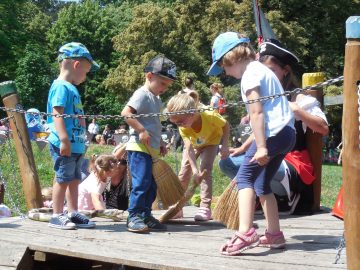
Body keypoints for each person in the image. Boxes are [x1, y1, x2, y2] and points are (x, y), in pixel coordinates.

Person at [207, 32, 296, 255]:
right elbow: (267, 110)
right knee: (262, 185)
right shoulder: (262, 70)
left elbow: (257, 113)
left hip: (272, 135)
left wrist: (263, 147)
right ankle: (274, 234)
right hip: (286, 134)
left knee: (245, 178)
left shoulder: (249, 75)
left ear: (231, 58)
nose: (225, 72)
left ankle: (245, 231)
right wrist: (247, 147)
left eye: (223, 66)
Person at [219, 39, 329, 214]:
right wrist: (242, 148)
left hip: (293, 161)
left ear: (285, 72)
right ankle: (260, 199)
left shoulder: (300, 98)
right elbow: (262, 127)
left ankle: (285, 197)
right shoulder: (264, 94)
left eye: (271, 70)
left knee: (246, 173)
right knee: (228, 163)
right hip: (271, 147)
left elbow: (323, 127)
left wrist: (296, 110)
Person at [121, 55, 176, 233]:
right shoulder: (142, 95)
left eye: (168, 86)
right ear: (150, 76)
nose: (164, 89)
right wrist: (141, 130)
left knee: (151, 184)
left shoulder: (156, 99)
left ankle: (145, 214)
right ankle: (134, 215)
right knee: (141, 182)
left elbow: (155, 124)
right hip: (138, 147)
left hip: (150, 149)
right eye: (162, 83)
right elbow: (126, 113)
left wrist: (159, 141)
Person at [46, 42, 99, 230]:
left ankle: (73, 211)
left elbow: (78, 114)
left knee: (75, 178)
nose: (85, 77)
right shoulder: (61, 86)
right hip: (65, 143)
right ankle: (57, 214)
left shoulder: (72, 88)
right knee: (62, 178)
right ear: (76, 65)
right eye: (86, 72)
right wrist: (63, 139)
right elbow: (57, 113)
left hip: (76, 144)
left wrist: (83, 136)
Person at [167, 94, 230, 221]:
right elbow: (189, 148)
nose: (179, 125)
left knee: (205, 170)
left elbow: (226, 125)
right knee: (184, 173)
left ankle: (205, 207)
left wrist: (225, 145)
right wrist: (194, 172)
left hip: (211, 141)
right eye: (175, 123)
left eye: (180, 122)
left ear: (191, 113)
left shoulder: (209, 115)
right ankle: (177, 207)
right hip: (195, 144)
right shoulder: (182, 126)